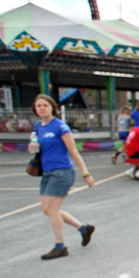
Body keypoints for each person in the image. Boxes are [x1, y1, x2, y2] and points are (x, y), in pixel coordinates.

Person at [29, 93, 95, 259]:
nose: (41, 108)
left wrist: (86, 174)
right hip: (47, 172)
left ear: (52, 108)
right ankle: (83, 229)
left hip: (62, 172)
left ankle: (60, 246)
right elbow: (40, 148)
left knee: (52, 209)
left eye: (45, 105)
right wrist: (33, 149)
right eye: (38, 106)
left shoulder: (60, 127)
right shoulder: (38, 127)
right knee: (48, 210)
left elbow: (74, 152)